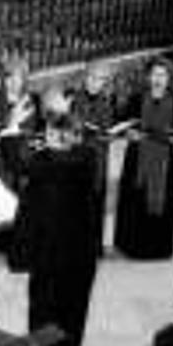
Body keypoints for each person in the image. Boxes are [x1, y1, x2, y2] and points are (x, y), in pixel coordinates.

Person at [21, 88, 100, 346]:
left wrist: (14, 131)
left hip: (71, 260)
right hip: (52, 255)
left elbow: (26, 162)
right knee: (46, 319)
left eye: (53, 135)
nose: (48, 141)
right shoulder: (67, 158)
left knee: (64, 322)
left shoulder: (79, 159)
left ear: (69, 136)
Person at [114, 58, 173, 260]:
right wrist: (129, 133)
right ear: (148, 76)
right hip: (137, 157)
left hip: (163, 160)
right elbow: (124, 124)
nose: (158, 79)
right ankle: (132, 246)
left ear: (169, 78)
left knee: (160, 203)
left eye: (163, 75)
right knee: (135, 199)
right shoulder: (137, 99)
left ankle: (158, 248)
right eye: (155, 74)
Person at [0, 58, 38, 270]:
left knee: (21, 198)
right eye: (9, 76)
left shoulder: (32, 99)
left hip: (23, 155)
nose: (13, 81)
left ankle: (15, 245)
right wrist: (8, 125)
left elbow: (36, 129)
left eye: (17, 76)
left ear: (24, 78)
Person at [71, 60, 117, 257]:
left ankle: (91, 246)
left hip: (96, 160)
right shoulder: (73, 99)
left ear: (104, 83)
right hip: (74, 159)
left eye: (99, 79)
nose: (94, 82)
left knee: (94, 204)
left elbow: (107, 131)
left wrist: (106, 134)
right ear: (84, 78)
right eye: (91, 77)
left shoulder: (107, 103)